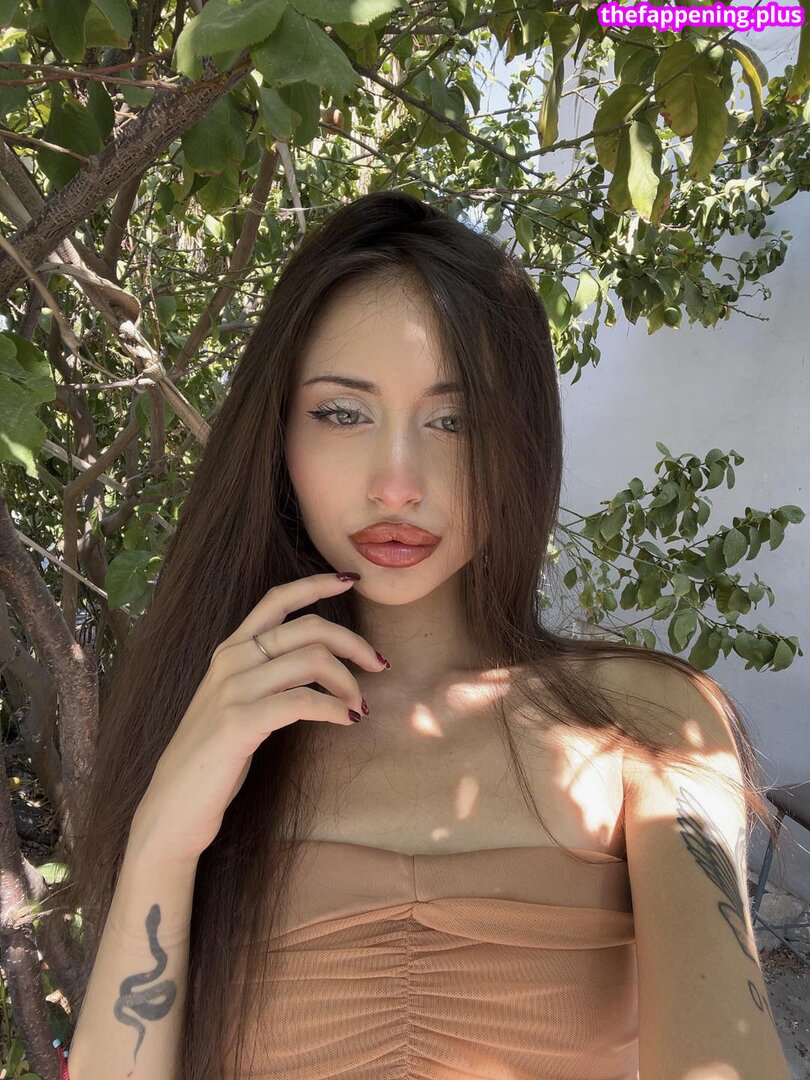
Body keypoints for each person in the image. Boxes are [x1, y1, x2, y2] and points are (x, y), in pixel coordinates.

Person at [56, 191, 790, 1080]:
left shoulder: (648, 718)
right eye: (342, 412)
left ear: (519, 443)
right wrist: (165, 837)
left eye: (456, 420)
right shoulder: (217, 718)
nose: (397, 483)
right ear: (278, 436)